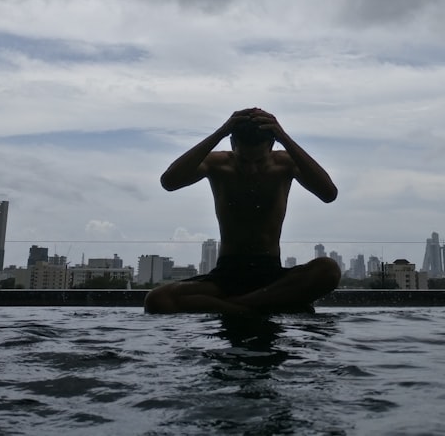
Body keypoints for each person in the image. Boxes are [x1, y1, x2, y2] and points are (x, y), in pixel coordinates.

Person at [144, 107, 340, 314]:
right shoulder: (217, 164)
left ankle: (238, 306)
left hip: (271, 272)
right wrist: (221, 131)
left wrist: (284, 137)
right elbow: (169, 182)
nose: (252, 168)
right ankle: (269, 303)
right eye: (244, 161)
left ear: (272, 146)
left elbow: (328, 194)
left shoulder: (286, 163)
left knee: (328, 270)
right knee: (156, 300)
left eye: (259, 161)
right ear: (233, 145)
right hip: (227, 274)